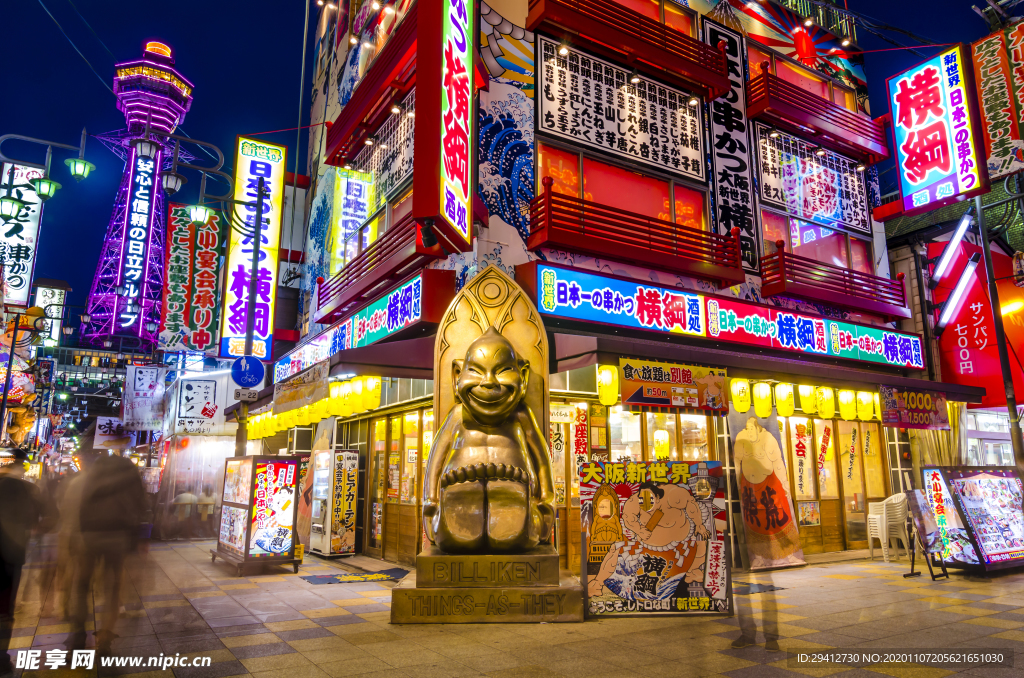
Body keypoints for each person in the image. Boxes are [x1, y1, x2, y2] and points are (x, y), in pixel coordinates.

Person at [67, 452, 146, 656]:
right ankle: (104, 640)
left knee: (82, 584)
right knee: (113, 588)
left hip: (91, 535)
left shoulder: (95, 474)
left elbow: (84, 505)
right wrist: (138, 541)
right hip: (118, 536)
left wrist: (83, 534)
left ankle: (77, 632)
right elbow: (142, 507)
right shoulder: (129, 473)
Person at [0, 450, 43, 675]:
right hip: (10, 555)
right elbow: (42, 517)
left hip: (10, 555)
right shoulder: (28, 489)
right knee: (4, 610)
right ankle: (1, 659)